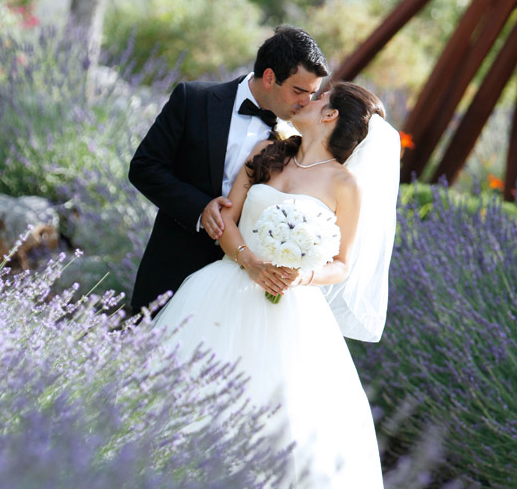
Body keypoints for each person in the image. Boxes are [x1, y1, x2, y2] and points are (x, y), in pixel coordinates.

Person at [150, 82, 400, 488]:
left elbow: (341, 266)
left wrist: (304, 275)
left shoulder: (344, 185)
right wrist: (248, 259)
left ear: (329, 115)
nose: (306, 100)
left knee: (273, 422)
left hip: (292, 308)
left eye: (319, 98)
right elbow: (226, 221)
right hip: (223, 287)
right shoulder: (267, 154)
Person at [128, 26, 329, 312]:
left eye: (312, 94)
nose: (305, 103)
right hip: (175, 264)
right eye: (299, 91)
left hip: (247, 289)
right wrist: (199, 208)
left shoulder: (299, 134)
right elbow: (144, 167)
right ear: (270, 77)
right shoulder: (193, 100)